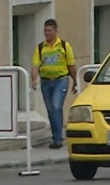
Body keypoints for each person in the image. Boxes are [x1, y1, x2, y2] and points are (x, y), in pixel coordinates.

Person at [30, 19, 78, 149]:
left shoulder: (63, 46)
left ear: (56, 31)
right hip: (45, 81)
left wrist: (75, 81)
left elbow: (71, 65)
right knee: (51, 110)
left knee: (56, 107)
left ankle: (57, 139)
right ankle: (56, 135)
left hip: (60, 80)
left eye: (49, 30)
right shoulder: (40, 48)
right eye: (45, 30)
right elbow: (35, 65)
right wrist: (33, 79)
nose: (47, 33)